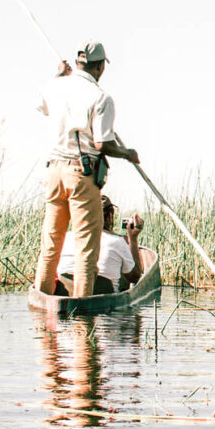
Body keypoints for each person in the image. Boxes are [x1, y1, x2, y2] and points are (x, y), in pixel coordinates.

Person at [34, 40, 139, 298]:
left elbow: (43, 105)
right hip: (81, 175)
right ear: (100, 67)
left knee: (50, 245)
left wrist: (59, 75)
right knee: (86, 249)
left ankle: (43, 305)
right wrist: (127, 153)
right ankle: (83, 313)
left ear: (78, 62)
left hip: (53, 172)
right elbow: (102, 143)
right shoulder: (101, 97)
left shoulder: (54, 86)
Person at [58, 194, 145, 295]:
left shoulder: (65, 238)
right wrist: (133, 239)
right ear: (110, 216)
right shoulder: (117, 242)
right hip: (105, 302)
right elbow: (135, 277)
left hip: (66, 297)